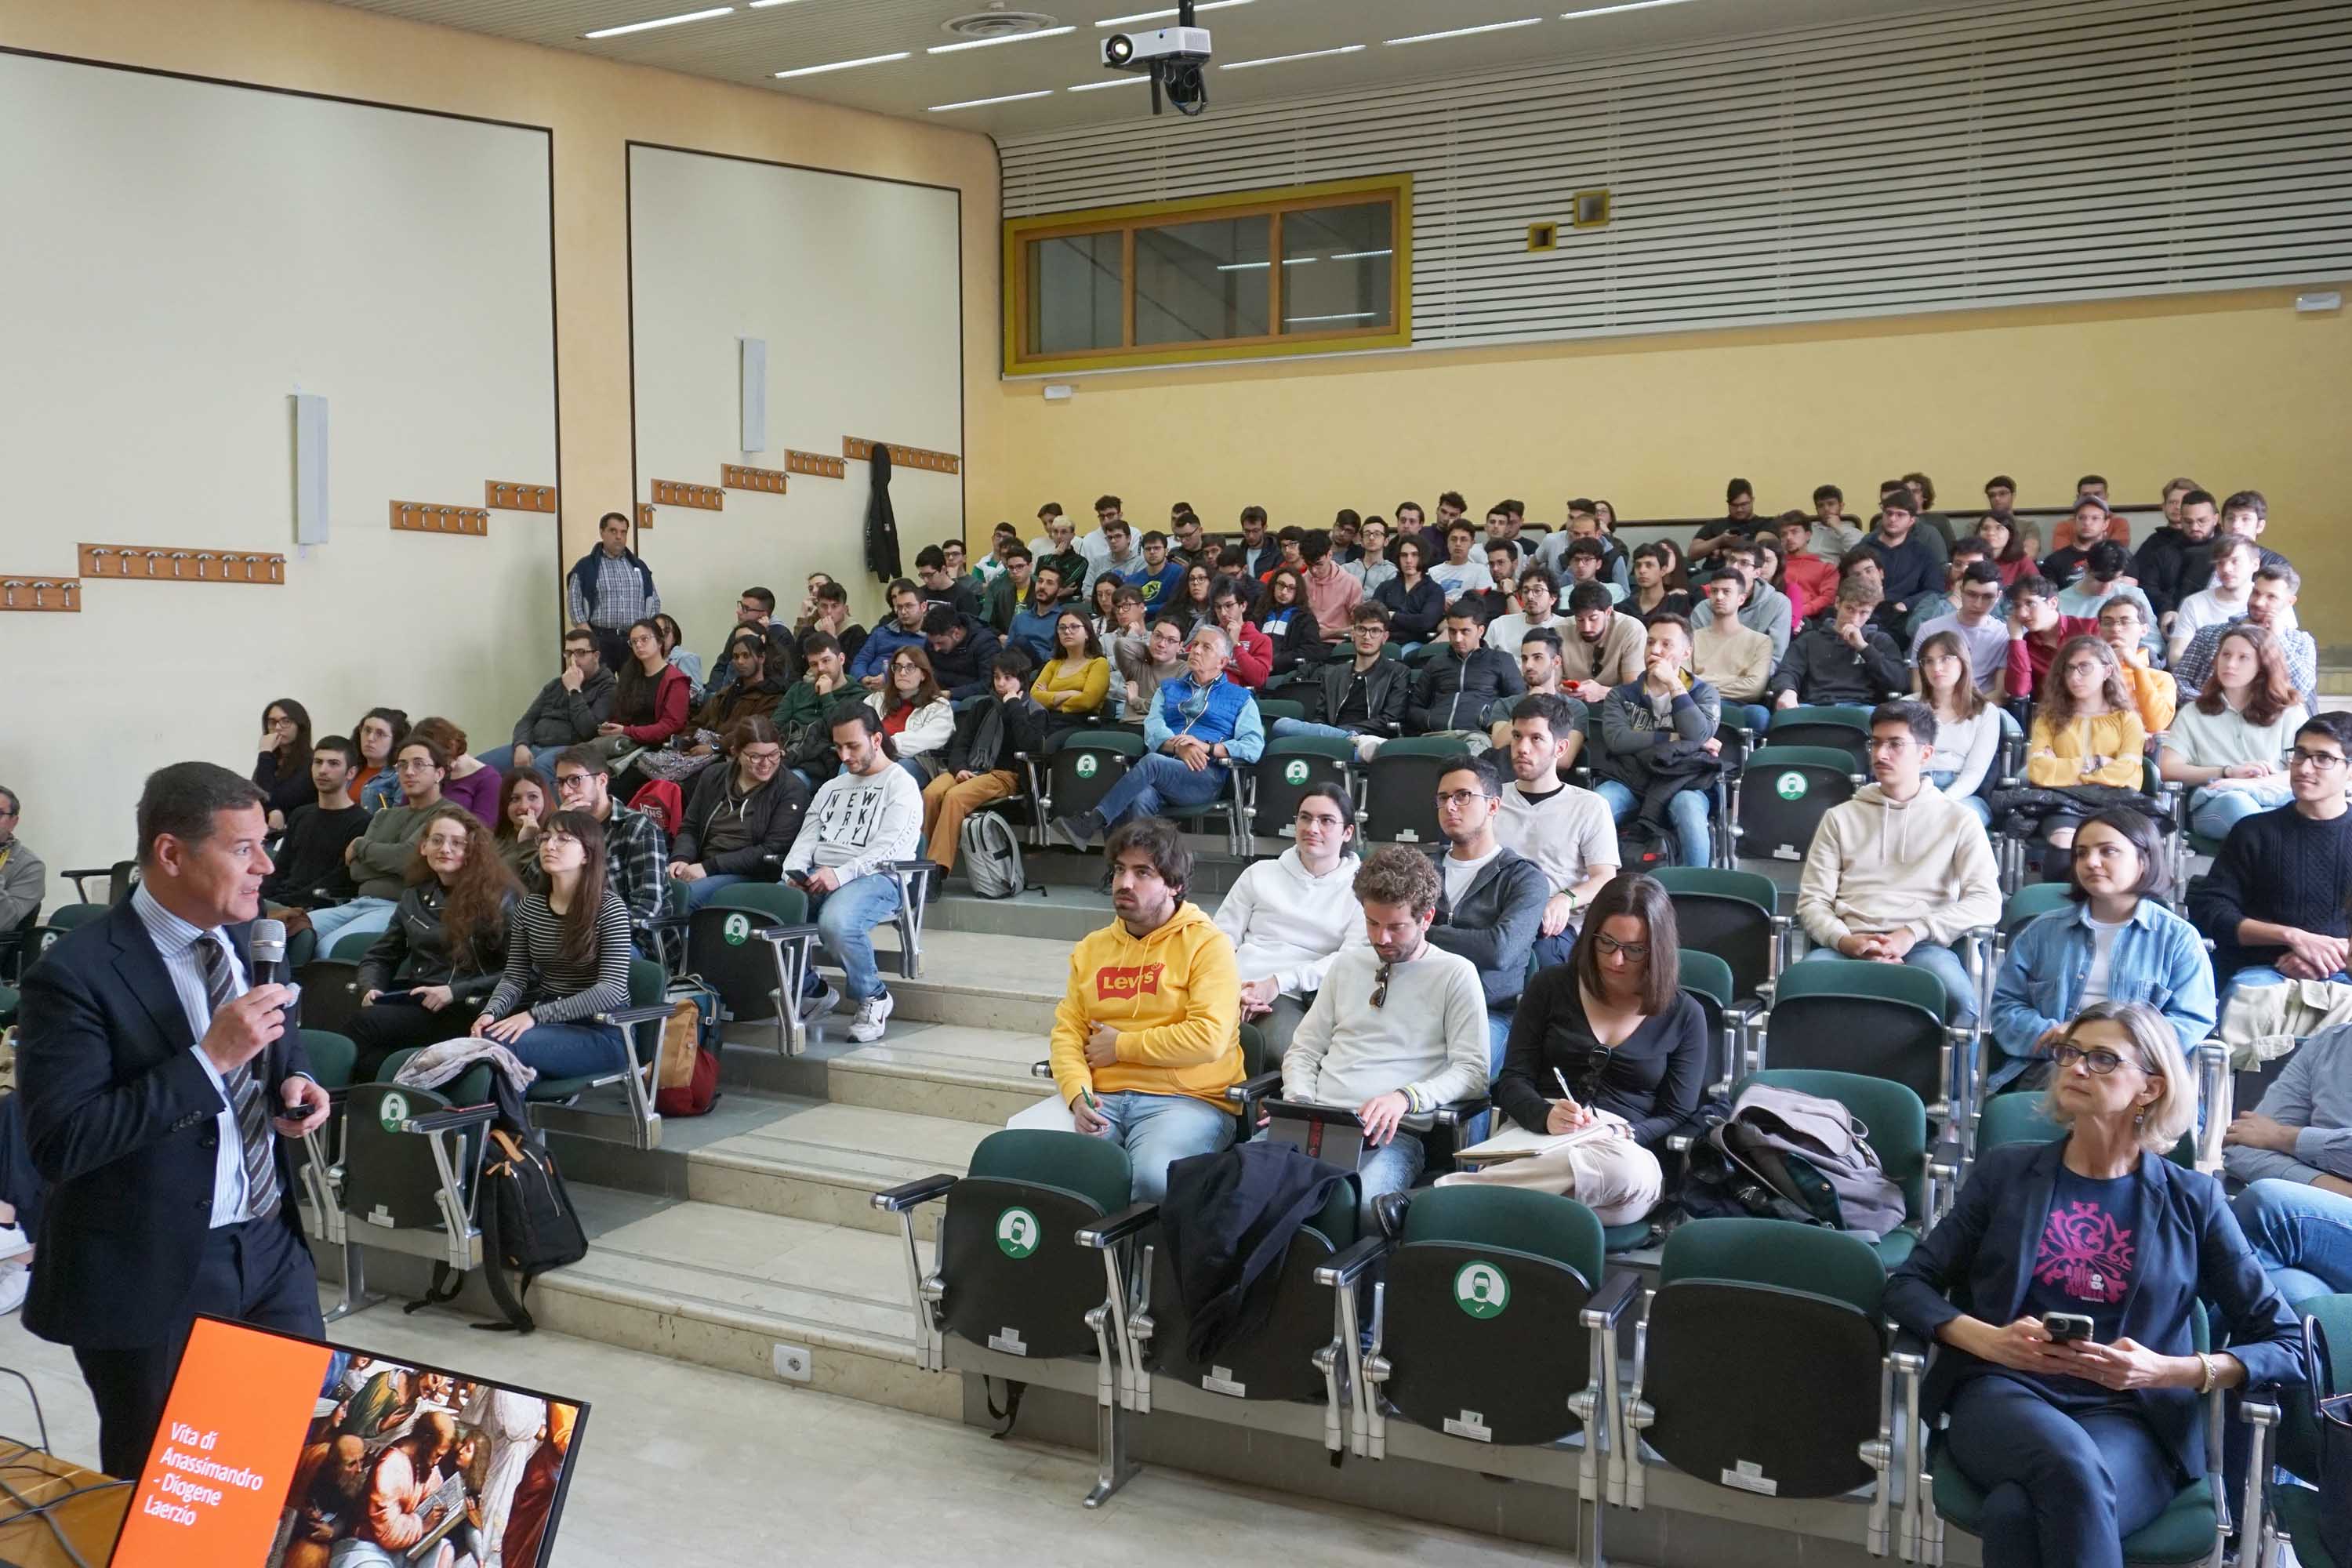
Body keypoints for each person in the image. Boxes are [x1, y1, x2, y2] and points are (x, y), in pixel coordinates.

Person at [1885, 1000, 2301, 1568]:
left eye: (2103, 1059)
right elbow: (1909, 1284)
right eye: (2070, 1053)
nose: (2076, 1068)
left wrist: (2169, 1370)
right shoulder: (2005, 1173)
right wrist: (1987, 1340)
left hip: (2133, 1416)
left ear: (2150, 1088)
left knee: (2014, 1511)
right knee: (2069, 1470)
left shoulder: (2194, 1201)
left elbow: (2286, 1343)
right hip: (2006, 1392)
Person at [14, 762, 332, 1478]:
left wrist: (300, 1082)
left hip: (270, 1245)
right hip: (151, 1268)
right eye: (243, 847)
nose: (266, 865)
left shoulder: (254, 943)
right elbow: (63, 1143)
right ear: (170, 853)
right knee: (171, 1492)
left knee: (287, 1463)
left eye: (265, 844)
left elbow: (280, 1037)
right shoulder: (74, 973)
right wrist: (207, 1059)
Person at [1440, 872, 1703, 1225]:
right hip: (1538, 1137)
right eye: (1606, 943)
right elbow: (1513, 1080)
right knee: (1572, 1208)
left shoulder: (1685, 1015)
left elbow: (1676, 1113)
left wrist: (1621, 1132)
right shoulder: (1550, 985)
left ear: (1658, 951)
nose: (1616, 960)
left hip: (1620, 1150)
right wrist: (1543, 1115)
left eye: (1634, 950)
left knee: (1627, 1173)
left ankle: (1453, 1195)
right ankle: (1495, 1205)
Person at [1281, 844, 1489, 1225]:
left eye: (1396, 927)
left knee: (1361, 1204)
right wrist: (1299, 1101)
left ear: (1426, 918)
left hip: (1394, 1135)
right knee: (1240, 1189)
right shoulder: (1347, 964)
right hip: (1317, 1119)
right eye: (1372, 923)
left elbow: (1473, 1073)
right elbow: (1304, 1050)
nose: (1382, 939)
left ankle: (1355, 1282)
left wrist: (1406, 1098)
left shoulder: (1455, 974)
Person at [1050, 817, 1243, 1203]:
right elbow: (1068, 1032)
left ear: (1175, 885)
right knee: (1038, 1172)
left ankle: (1132, 1265)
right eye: (1120, 870)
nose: (1124, 883)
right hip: (1101, 1097)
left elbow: (1208, 1038)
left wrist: (1121, 1046)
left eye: (1143, 873)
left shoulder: (1207, 945)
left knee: (1152, 1180)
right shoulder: (1092, 948)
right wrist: (1077, 1094)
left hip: (1187, 1100)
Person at [1796, 702, 2002, 1025]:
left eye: (1895, 744)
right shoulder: (1839, 817)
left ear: (1925, 754)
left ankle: (1956, 1076)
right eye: (1876, 743)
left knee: (1961, 1002)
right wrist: (1846, 940)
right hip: (1850, 941)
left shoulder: (1960, 820)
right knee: (1798, 986)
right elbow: (1813, 902)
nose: (1880, 754)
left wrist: (1911, 932)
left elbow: (1988, 902)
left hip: (1922, 946)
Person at [1987, 808, 2217, 1095]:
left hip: (2139, 1078)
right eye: (2082, 853)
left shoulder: (2178, 938)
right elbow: (2006, 1007)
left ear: (2143, 860)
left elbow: (2191, 1020)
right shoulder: (2041, 931)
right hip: (2053, 1069)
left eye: (2108, 851)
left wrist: (2115, 1046)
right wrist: (2059, 1038)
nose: (2091, 862)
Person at [782, 705, 924, 1042]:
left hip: (879, 877)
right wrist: (794, 870)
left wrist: (841, 874)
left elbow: (890, 849)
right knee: (774, 909)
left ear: (877, 739)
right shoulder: (833, 786)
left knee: (837, 923)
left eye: (853, 746)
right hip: (823, 873)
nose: (844, 755)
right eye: (838, 747)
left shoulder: (900, 783)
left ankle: (874, 996)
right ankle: (813, 991)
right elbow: (807, 835)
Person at [1051, 626, 1265, 847]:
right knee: (1140, 798)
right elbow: (1153, 728)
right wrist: (1178, 747)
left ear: (1222, 662)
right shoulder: (1168, 689)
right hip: (1164, 771)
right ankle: (1129, 870)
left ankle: (1092, 821)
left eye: (1206, 647)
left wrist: (1207, 747)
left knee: (1152, 762)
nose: (1196, 650)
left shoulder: (1241, 698)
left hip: (1204, 776)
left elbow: (1253, 746)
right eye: (1196, 644)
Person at [347, 804, 517, 1080]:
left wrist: (455, 991)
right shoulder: (414, 896)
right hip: (422, 1004)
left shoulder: (499, 898)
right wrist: (371, 987)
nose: (445, 849)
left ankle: (335, 1106)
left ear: (473, 850)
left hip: (470, 1008)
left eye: (457, 843)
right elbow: (380, 956)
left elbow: (520, 973)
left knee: (364, 1025)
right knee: (373, 1054)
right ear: (423, 847)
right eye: (437, 840)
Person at [2189, 713, 2352, 995]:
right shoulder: (2254, 832)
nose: (2304, 768)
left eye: (2323, 758)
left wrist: (2323, 960)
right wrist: (2292, 937)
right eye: (2300, 754)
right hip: (2260, 973)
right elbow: (2212, 911)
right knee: (2251, 993)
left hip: (2343, 974)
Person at [470, 810, 633, 1080]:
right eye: (545, 837)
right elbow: (514, 977)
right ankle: (502, 1122)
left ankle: (507, 1123)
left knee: (496, 1046)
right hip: (550, 1022)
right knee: (485, 1038)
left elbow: (611, 990)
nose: (550, 845)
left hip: (603, 1031)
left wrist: (535, 1016)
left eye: (564, 839)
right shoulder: (530, 908)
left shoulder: (609, 908)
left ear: (587, 854)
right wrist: (491, 1012)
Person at [1215, 785, 1365, 1062]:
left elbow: (1349, 959)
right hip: (1236, 985)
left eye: (1326, 820)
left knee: (1285, 1052)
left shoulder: (1362, 889)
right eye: (1305, 818)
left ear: (1347, 832)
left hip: (1296, 994)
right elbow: (1221, 937)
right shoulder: (1259, 873)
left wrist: (1277, 982)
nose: (1312, 828)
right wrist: (1231, 986)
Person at [1426, 753, 1548, 1068]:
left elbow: (1500, 950)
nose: (1450, 806)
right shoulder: (1422, 869)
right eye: (1443, 798)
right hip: (1419, 1003)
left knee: (1460, 1070)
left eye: (1463, 796)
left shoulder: (1524, 878)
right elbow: (1392, 935)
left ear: (1493, 806)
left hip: (1489, 1012)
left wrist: (1423, 932)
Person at [2225, 1021, 2352, 1301]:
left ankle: (2176, 1339)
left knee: (2270, 1206)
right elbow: (2243, 1147)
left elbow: (2267, 1137)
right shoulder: (2329, 1045)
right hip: (2330, 1229)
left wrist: (2285, 1137)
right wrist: (2334, 1188)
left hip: (2302, 1217)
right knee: (2286, 1290)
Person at [1495, 695, 1620, 967]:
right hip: (1496, 916)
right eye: (1517, 736)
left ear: (1561, 748)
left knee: (1541, 957)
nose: (1522, 748)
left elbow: (1604, 878)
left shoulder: (1590, 806)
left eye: (1536, 739)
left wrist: (1566, 899)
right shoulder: (1492, 800)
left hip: (1552, 927)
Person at [2158, 624, 2306, 841]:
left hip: (2277, 798)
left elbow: (2303, 771)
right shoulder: (2194, 712)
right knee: (2240, 807)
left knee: (2302, 815)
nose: (2230, 664)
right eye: (2225, 655)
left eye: (2243, 657)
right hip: (2219, 802)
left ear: (2264, 664)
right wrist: (2227, 772)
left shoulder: (2290, 712)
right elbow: (2168, 769)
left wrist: (2250, 784)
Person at [311, 738, 453, 949]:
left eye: (419, 764)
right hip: (358, 903)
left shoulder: (448, 816)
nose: (409, 772)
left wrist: (360, 845)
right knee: (290, 933)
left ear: (439, 774)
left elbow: (407, 862)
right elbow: (357, 871)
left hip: (400, 908)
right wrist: (389, 862)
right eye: (402, 765)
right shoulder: (384, 816)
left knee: (331, 946)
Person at [921, 653, 1044, 891]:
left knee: (955, 798)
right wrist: (960, 769)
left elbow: (1030, 745)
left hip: (1004, 775)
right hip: (970, 769)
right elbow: (961, 745)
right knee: (931, 792)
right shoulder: (982, 706)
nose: (1001, 684)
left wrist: (1014, 707)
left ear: (1022, 680)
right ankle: (918, 862)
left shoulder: (1035, 710)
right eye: (997, 677)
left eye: (1008, 678)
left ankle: (935, 871)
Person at [664, 717, 810, 912]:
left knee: (684, 898)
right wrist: (681, 858)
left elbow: (771, 849)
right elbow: (690, 827)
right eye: (755, 757)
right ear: (736, 753)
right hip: (703, 863)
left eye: (774, 754)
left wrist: (708, 868)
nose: (766, 764)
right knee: (653, 889)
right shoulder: (713, 776)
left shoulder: (791, 789)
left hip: (750, 873)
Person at [2023, 636, 2150, 857]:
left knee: (2110, 844)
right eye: (2069, 668)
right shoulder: (2048, 719)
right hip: (2063, 803)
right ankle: (2060, 893)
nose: (2074, 676)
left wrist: (2063, 770)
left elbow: (2130, 774)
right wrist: (2098, 763)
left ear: (2107, 671)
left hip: (2114, 803)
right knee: (2065, 840)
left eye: (2085, 668)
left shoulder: (2127, 719)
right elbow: (2038, 771)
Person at [547, 747, 669, 960]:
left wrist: (588, 934)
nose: (565, 791)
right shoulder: (561, 832)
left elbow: (648, 906)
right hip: (574, 936)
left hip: (634, 942)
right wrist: (557, 828)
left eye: (575, 780)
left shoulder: (638, 828)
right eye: (560, 782)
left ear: (602, 780)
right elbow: (533, 886)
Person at [2172, 562, 2317, 716]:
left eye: (2271, 597)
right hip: (2208, 718)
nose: (2259, 602)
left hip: (2267, 725)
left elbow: (2303, 687)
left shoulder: (2301, 642)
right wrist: (2216, 705)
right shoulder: (2210, 634)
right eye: (2256, 593)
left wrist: (2278, 639)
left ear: (2290, 602)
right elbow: (2178, 682)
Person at [490, 627, 614, 779]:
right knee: (480, 768)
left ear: (596, 656)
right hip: (534, 746)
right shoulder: (555, 684)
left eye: (581, 653)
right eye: (568, 653)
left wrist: (574, 691)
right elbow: (527, 720)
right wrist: (521, 745)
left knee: (540, 767)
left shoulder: (609, 687)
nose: (573, 660)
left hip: (570, 749)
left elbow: (589, 731)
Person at [1767, 580, 1909, 712]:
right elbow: (1788, 671)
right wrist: (1788, 690)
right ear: (1837, 603)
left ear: (1871, 613)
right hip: (1815, 706)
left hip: (1862, 707)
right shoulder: (1810, 639)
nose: (1854, 619)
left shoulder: (1880, 641)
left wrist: (1864, 648)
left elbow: (1898, 682)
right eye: (1849, 609)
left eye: (1863, 612)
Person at [1916, 631, 2001, 826]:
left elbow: (1974, 773)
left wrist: (1942, 801)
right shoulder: (1907, 707)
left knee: (1957, 820)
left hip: (1961, 792)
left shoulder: (1986, 712)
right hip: (1915, 787)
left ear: (1963, 661)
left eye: (1945, 659)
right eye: (1928, 661)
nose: (1936, 667)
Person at [1408, 601, 1523, 744]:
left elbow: (1518, 705)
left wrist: (1488, 721)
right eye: (1452, 631)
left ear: (1480, 631)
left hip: (1478, 736)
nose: (1457, 639)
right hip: (1435, 735)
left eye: (1465, 631)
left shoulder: (1501, 661)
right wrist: (1430, 719)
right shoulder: (1436, 663)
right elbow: (1414, 707)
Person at [567, 510, 659, 673]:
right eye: (613, 531)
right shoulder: (586, 567)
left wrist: (646, 635)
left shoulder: (639, 567)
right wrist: (590, 640)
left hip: (634, 641)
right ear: (602, 532)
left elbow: (654, 601)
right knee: (600, 689)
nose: (619, 537)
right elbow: (575, 604)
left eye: (623, 532)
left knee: (633, 691)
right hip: (601, 640)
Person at [1692, 568, 1775, 734]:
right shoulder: (1692, 638)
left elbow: (1754, 688)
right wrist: (1734, 679)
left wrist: (1701, 682)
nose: (1719, 597)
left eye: (1726, 592)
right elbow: (1682, 681)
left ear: (1741, 599)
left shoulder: (1760, 641)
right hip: (1696, 702)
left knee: (1759, 715)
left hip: (1736, 704)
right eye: (1714, 591)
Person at [598, 619, 693, 757]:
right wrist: (612, 726)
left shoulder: (676, 680)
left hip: (656, 750)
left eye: (644, 639)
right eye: (634, 642)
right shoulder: (630, 673)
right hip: (626, 742)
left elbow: (671, 726)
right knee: (579, 757)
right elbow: (621, 714)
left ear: (660, 642)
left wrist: (626, 731)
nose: (639, 645)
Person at [1911, 561, 2009, 695]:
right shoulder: (1929, 629)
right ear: (1961, 591)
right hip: (1935, 708)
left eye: (1987, 597)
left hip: (1982, 709)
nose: (1978, 604)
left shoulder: (2004, 634)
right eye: (1971, 594)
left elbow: (2001, 695)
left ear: (1998, 596)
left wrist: (1967, 712)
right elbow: (1919, 687)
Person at [865, 646, 954, 786]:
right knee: (847, 767)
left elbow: (932, 737)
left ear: (923, 674)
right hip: (872, 757)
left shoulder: (939, 706)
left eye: (910, 667)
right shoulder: (876, 699)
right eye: (898, 667)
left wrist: (892, 744)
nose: (903, 672)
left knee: (898, 772)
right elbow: (859, 727)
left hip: (916, 763)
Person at [1689, 541, 1794, 661]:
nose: (1734, 567)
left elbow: (1774, 657)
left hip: (1755, 676)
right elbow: (1695, 655)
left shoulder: (1778, 604)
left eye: (1744, 563)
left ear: (1757, 573)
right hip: (1708, 675)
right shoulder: (1704, 609)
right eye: (1732, 560)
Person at [2003, 577, 2099, 702]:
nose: (2022, 614)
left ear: (2053, 603)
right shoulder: (2024, 646)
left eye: (2030, 603)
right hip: (2053, 715)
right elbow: (2019, 690)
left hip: (2094, 709)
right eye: (2017, 606)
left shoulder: (2090, 628)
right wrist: (2016, 639)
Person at [1860, 493, 1942, 638]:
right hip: (1866, 613)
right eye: (1889, 513)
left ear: (1911, 520)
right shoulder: (1863, 548)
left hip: (1906, 616)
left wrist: (1906, 604)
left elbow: (1934, 590)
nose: (1893, 519)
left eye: (1900, 515)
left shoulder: (1923, 553)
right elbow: (1846, 584)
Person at [2095, 596, 2176, 736]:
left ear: (2144, 630)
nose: (2116, 628)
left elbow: (2156, 724)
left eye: (2125, 622)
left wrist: (2138, 669)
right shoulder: (2085, 670)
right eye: (2108, 623)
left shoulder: (2162, 678)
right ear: (2099, 630)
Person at [1029, 609, 1110, 736]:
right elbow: (1034, 696)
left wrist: (1049, 699)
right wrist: (1070, 693)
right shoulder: (1053, 663)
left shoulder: (1099, 663)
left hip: (1081, 725)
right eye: (1062, 628)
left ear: (1087, 633)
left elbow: (1087, 701)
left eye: (1074, 627)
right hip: (1049, 720)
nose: (1067, 631)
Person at [409, 717, 501, 824]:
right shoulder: (425, 771)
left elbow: (483, 831)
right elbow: (403, 814)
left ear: (452, 744)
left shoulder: (488, 779)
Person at [1373, 535, 1446, 652]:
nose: (1408, 560)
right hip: (1383, 641)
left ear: (1423, 556)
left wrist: (1392, 616)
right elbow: (1374, 617)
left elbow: (1424, 622)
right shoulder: (1385, 587)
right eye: (1404, 555)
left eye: (1414, 555)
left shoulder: (1434, 590)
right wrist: (1411, 620)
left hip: (1416, 645)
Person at [1113, 615, 1189, 728]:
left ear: (1180, 646)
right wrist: (1151, 651)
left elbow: (1170, 707)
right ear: (1150, 636)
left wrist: (1135, 700)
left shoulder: (1185, 669)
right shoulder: (1137, 665)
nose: (1162, 644)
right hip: (1129, 725)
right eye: (1157, 636)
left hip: (1160, 730)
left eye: (1171, 641)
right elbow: (1122, 644)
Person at [253, 698, 314, 829]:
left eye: (286, 721)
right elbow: (256, 796)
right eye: (272, 722)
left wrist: (265, 754)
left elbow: (280, 798)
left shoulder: (311, 762)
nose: (277, 728)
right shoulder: (269, 759)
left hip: (296, 833)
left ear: (300, 726)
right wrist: (266, 753)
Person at [2036, 494, 2119, 589]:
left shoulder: (2119, 555)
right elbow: (2049, 599)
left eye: (2095, 518)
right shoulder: (2054, 561)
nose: (2087, 523)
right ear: (2074, 522)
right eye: (2082, 518)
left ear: (2106, 523)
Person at [1255, 567, 1323, 682]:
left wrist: (1276, 662)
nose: (1284, 592)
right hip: (1257, 670)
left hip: (1286, 674)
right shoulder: (1261, 613)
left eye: (1291, 588)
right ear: (1273, 586)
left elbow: (1311, 651)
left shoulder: (1305, 618)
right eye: (1281, 585)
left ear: (1298, 591)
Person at [1485, 567, 1565, 659]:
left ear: (1553, 598)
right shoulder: (1499, 624)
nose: (1530, 596)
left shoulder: (1564, 627)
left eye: (1537, 591)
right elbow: (1483, 663)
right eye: (1526, 591)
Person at [1207, 580, 1273, 689]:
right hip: (1207, 691)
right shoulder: (1209, 636)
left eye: (1229, 605)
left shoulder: (1261, 640)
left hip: (1241, 697)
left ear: (1243, 606)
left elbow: (1258, 680)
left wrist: (1236, 644)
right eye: (1218, 607)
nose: (1223, 613)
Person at [1007, 561, 1071, 666]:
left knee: (1021, 643)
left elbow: (1057, 657)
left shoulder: (1064, 619)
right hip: (1014, 670)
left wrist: (1029, 649)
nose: (1042, 587)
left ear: (1059, 591)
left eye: (1049, 583)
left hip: (1043, 669)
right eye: (1040, 581)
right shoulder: (1020, 618)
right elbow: (1007, 652)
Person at [494, 768, 553, 881]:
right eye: (515, 799)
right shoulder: (493, 841)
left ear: (545, 799)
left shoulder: (554, 842)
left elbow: (537, 884)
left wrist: (527, 844)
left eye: (533, 797)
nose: (524, 807)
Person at [1777, 512, 1840, 613]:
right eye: (1784, 534)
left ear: (1808, 535)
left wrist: (1800, 611)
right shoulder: (1776, 566)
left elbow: (1828, 598)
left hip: (1811, 619)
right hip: (1777, 617)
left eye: (1794, 532)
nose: (1788, 537)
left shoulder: (1826, 568)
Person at [1688, 477, 1764, 561]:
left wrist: (1723, 552)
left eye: (1744, 504)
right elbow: (1692, 554)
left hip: (1749, 571)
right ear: (1728, 503)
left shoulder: (1764, 524)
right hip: (1712, 572)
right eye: (1734, 505)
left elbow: (1765, 552)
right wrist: (1720, 540)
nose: (1739, 509)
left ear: (1752, 500)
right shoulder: (1714, 524)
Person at [347, 708, 409, 810]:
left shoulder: (400, 777)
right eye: (367, 730)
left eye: (380, 734)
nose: (370, 738)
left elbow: (397, 821)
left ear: (396, 741)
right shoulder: (349, 769)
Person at [1624, 543, 1693, 622]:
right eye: (1638, 565)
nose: (1642, 570)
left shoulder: (1678, 605)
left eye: (1649, 565)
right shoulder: (1623, 607)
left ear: (1663, 570)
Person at [913, 548, 981, 622]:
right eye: (922, 575)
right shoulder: (919, 594)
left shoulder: (965, 595)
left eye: (929, 575)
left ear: (943, 569)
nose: (925, 580)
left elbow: (971, 628)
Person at [1978, 510, 2038, 590]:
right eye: (1985, 528)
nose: (1991, 533)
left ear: (2010, 534)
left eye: (1999, 528)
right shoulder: (1971, 559)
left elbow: (2036, 592)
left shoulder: (2022, 562)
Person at [1345, 515, 1396, 597]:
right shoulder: (1347, 570)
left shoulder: (1392, 573)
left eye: (1377, 534)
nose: (1371, 538)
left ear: (1386, 541)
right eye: (1367, 534)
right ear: (1361, 542)